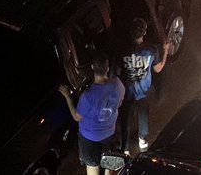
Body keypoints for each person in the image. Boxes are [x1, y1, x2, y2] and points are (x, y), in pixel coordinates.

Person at [59, 53, 124, 175]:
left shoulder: (88, 96)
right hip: (109, 134)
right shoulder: (118, 85)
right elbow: (119, 104)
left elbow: (76, 117)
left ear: (92, 67)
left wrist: (68, 97)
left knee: (93, 166)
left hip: (90, 138)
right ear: (107, 68)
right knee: (108, 165)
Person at [118, 18, 169, 153]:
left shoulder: (123, 49)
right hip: (143, 89)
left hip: (126, 90)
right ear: (144, 32)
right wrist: (165, 53)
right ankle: (142, 140)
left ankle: (125, 147)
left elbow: (117, 70)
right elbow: (158, 69)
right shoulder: (151, 49)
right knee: (143, 114)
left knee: (125, 118)